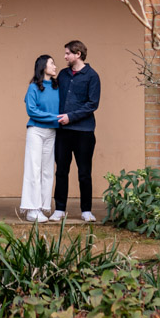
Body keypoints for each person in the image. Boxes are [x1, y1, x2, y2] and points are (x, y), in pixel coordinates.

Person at [51, 39, 101, 222]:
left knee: (84, 172)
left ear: (77, 54)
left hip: (84, 132)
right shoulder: (63, 75)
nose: (64, 57)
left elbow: (92, 104)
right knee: (61, 170)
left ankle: (86, 210)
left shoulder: (92, 76)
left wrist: (70, 116)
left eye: (67, 54)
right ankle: (60, 209)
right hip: (63, 131)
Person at [20, 54, 61, 222]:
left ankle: (43, 207)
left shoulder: (57, 86)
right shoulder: (33, 88)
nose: (55, 66)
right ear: (43, 66)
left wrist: (56, 120)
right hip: (36, 131)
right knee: (33, 169)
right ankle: (32, 209)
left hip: (52, 132)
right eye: (52, 63)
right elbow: (31, 111)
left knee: (47, 171)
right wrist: (55, 117)